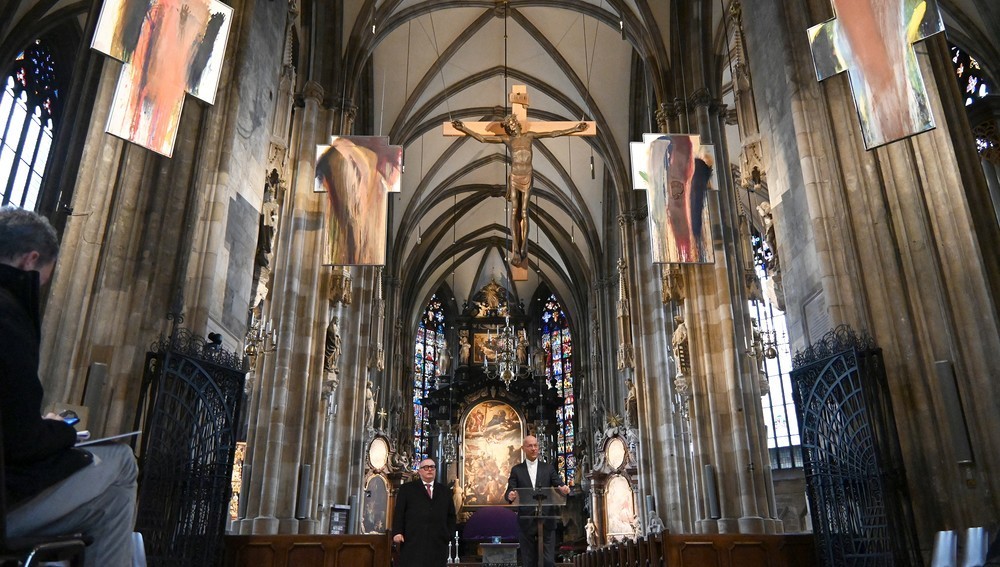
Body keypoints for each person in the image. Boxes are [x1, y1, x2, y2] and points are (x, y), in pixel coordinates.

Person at [0, 206, 140, 566]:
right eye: (43, 280)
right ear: (31, 260)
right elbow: (22, 441)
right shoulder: (8, 316)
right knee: (122, 461)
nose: (39, 290)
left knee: (108, 505)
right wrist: (62, 431)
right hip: (6, 504)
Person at [452, 116, 587, 267]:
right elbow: (483, 139)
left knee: (524, 211)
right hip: (515, 176)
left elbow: (553, 133)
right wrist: (464, 129)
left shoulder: (530, 136)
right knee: (514, 211)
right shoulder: (508, 140)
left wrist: (574, 129)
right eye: (508, 125)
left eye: (512, 123)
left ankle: (523, 246)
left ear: (516, 123)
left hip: (527, 175)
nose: (511, 126)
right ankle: (515, 247)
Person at [505, 435, 570, 567]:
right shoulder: (517, 470)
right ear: (523, 448)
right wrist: (510, 495)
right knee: (529, 561)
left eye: (535, 445)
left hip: (547, 518)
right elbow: (510, 490)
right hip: (526, 519)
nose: (534, 448)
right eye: (530, 446)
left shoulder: (548, 468)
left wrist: (563, 488)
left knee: (548, 561)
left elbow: (558, 483)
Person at [392, 458, 457, 566]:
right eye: (426, 467)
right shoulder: (407, 489)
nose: (429, 470)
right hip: (413, 541)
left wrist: (448, 534)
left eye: (432, 467)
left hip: (438, 543)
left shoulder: (445, 491)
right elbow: (399, 512)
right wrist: (397, 532)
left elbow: (451, 516)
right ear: (419, 471)